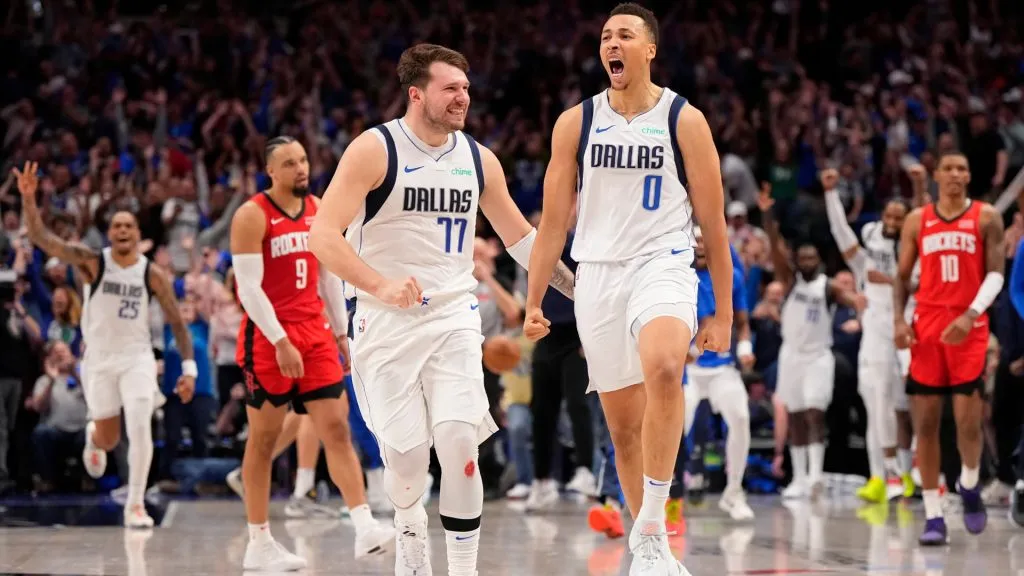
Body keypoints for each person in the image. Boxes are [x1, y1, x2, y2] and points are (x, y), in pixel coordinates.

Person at [308, 43, 575, 576]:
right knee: (407, 466)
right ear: (416, 93)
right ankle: (408, 524)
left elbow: (523, 239)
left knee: (459, 442)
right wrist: (379, 285)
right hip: (384, 320)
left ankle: (463, 569)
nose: (463, 98)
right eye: (450, 88)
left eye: (466, 88)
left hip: (454, 316)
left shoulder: (478, 158)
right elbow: (322, 237)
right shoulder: (374, 149)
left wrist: (579, 291)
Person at [523, 4, 733, 575]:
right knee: (622, 424)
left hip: (663, 261)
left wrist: (725, 314)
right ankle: (652, 551)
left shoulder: (683, 119)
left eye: (625, 35)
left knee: (666, 368)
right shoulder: (577, 122)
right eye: (605, 36)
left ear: (649, 50)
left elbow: (713, 223)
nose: (611, 44)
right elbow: (552, 223)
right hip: (598, 272)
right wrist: (534, 298)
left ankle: (652, 520)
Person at [229, 137, 393, 571]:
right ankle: (259, 541)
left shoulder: (319, 209)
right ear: (271, 172)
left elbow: (327, 276)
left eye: (302, 160)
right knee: (264, 439)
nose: (300, 168)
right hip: (268, 336)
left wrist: (341, 335)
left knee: (336, 428)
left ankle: (364, 526)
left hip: (316, 331)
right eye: (289, 163)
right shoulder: (251, 215)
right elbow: (248, 289)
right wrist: (281, 340)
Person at [12, 161, 196, 529]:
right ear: (109, 234)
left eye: (129, 225)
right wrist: (30, 201)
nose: (123, 230)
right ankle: (93, 440)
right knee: (109, 438)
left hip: (138, 357)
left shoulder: (151, 273)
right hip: (99, 361)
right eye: (117, 226)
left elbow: (177, 322)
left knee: (142, 420)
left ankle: (135, 503)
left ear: (138, 232)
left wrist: (188, 369)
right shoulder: (91, 262)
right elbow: (43, 239)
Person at [894, 151, 1004, 545]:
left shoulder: (988, 216)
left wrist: (971, 314)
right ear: (938, 176)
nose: (956, 174)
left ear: (969, 175)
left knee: (968, 424)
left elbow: (995, 274)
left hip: (969, 325)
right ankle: (934, 514)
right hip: (927, 327)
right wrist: (898, 321)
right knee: (924, 424)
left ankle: (970, 484)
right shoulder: (916, 220)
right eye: (950, 169)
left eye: (963, 168)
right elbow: (902, 277)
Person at [759, 187, 863, 500]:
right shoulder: (789, 283)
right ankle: (800, 478)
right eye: (802, 258)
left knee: (815, 413)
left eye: (812, 258)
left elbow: (853, 299)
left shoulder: (827, 287)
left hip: (818, 357)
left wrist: (862, 307)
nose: (807, 261)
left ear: (818, 261)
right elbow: (776, 251)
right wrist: (766, 215)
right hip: (792, 356)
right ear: (797, 261)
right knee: (794, 416)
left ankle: (816, 476)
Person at [822, 167, 915, 502]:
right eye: (889, 213)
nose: (892, 219)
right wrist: (831, 194)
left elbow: (915, 284)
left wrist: (896, 283)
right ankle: (884, 474)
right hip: (874, 340)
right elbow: (841, 232)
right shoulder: (865, 262)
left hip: (906, 332)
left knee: (904, 407)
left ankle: (907, 471)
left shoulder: (912, 257)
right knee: (876, 405)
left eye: (898, 216)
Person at [684, 227, 754, 521]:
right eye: (695, 241)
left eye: (704, 240)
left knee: (740, 417)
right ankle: (664, 494)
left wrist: (745, 348)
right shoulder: (676, 277)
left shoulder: (731, 276)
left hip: (721, 366)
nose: (700, 246)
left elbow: (742, 321)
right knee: (672, 426)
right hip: (686, 368)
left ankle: (733, 492)